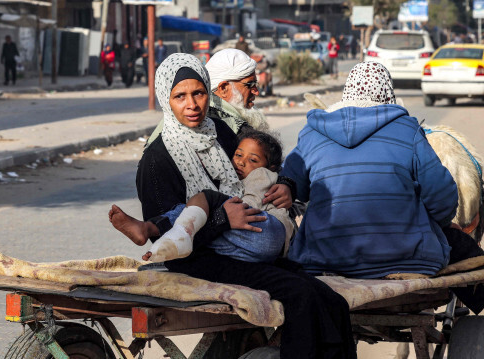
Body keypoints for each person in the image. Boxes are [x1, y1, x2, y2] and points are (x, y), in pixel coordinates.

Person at [135, 52, 356, 359]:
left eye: (198, 93)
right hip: (201, 257)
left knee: (334, 303)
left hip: (245, 244)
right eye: (180, 96)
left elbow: (261, 163)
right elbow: (166, 238)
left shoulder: (219, 131)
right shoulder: (156, 159)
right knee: (300, 296)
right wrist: (222, 221)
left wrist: (285, 186)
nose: (192, 105)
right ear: (165, 99)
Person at [281, 61, 484, 319]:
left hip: (321, 259)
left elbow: (293, 188)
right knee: (456, 241)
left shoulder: (312, 133)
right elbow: (442, 199)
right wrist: (433, 223)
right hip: (403, 259)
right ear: (387, 94)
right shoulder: (406, 130)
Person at [110, 129, 294, 263]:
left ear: (271, 168)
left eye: (253, 160)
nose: (241, 162)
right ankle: (163, 244)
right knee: (194, 222)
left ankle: (151, 228)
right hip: (247, 248)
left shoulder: (262, 175)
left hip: (267, 231)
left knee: (205, 199)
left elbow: (248, 208)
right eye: (238, 155)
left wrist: (224, 214)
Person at [145, 49, 268, 145]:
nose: (256, 91)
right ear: (223, 88)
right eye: (249, 85)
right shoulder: (225, 128)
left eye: (198, 94)